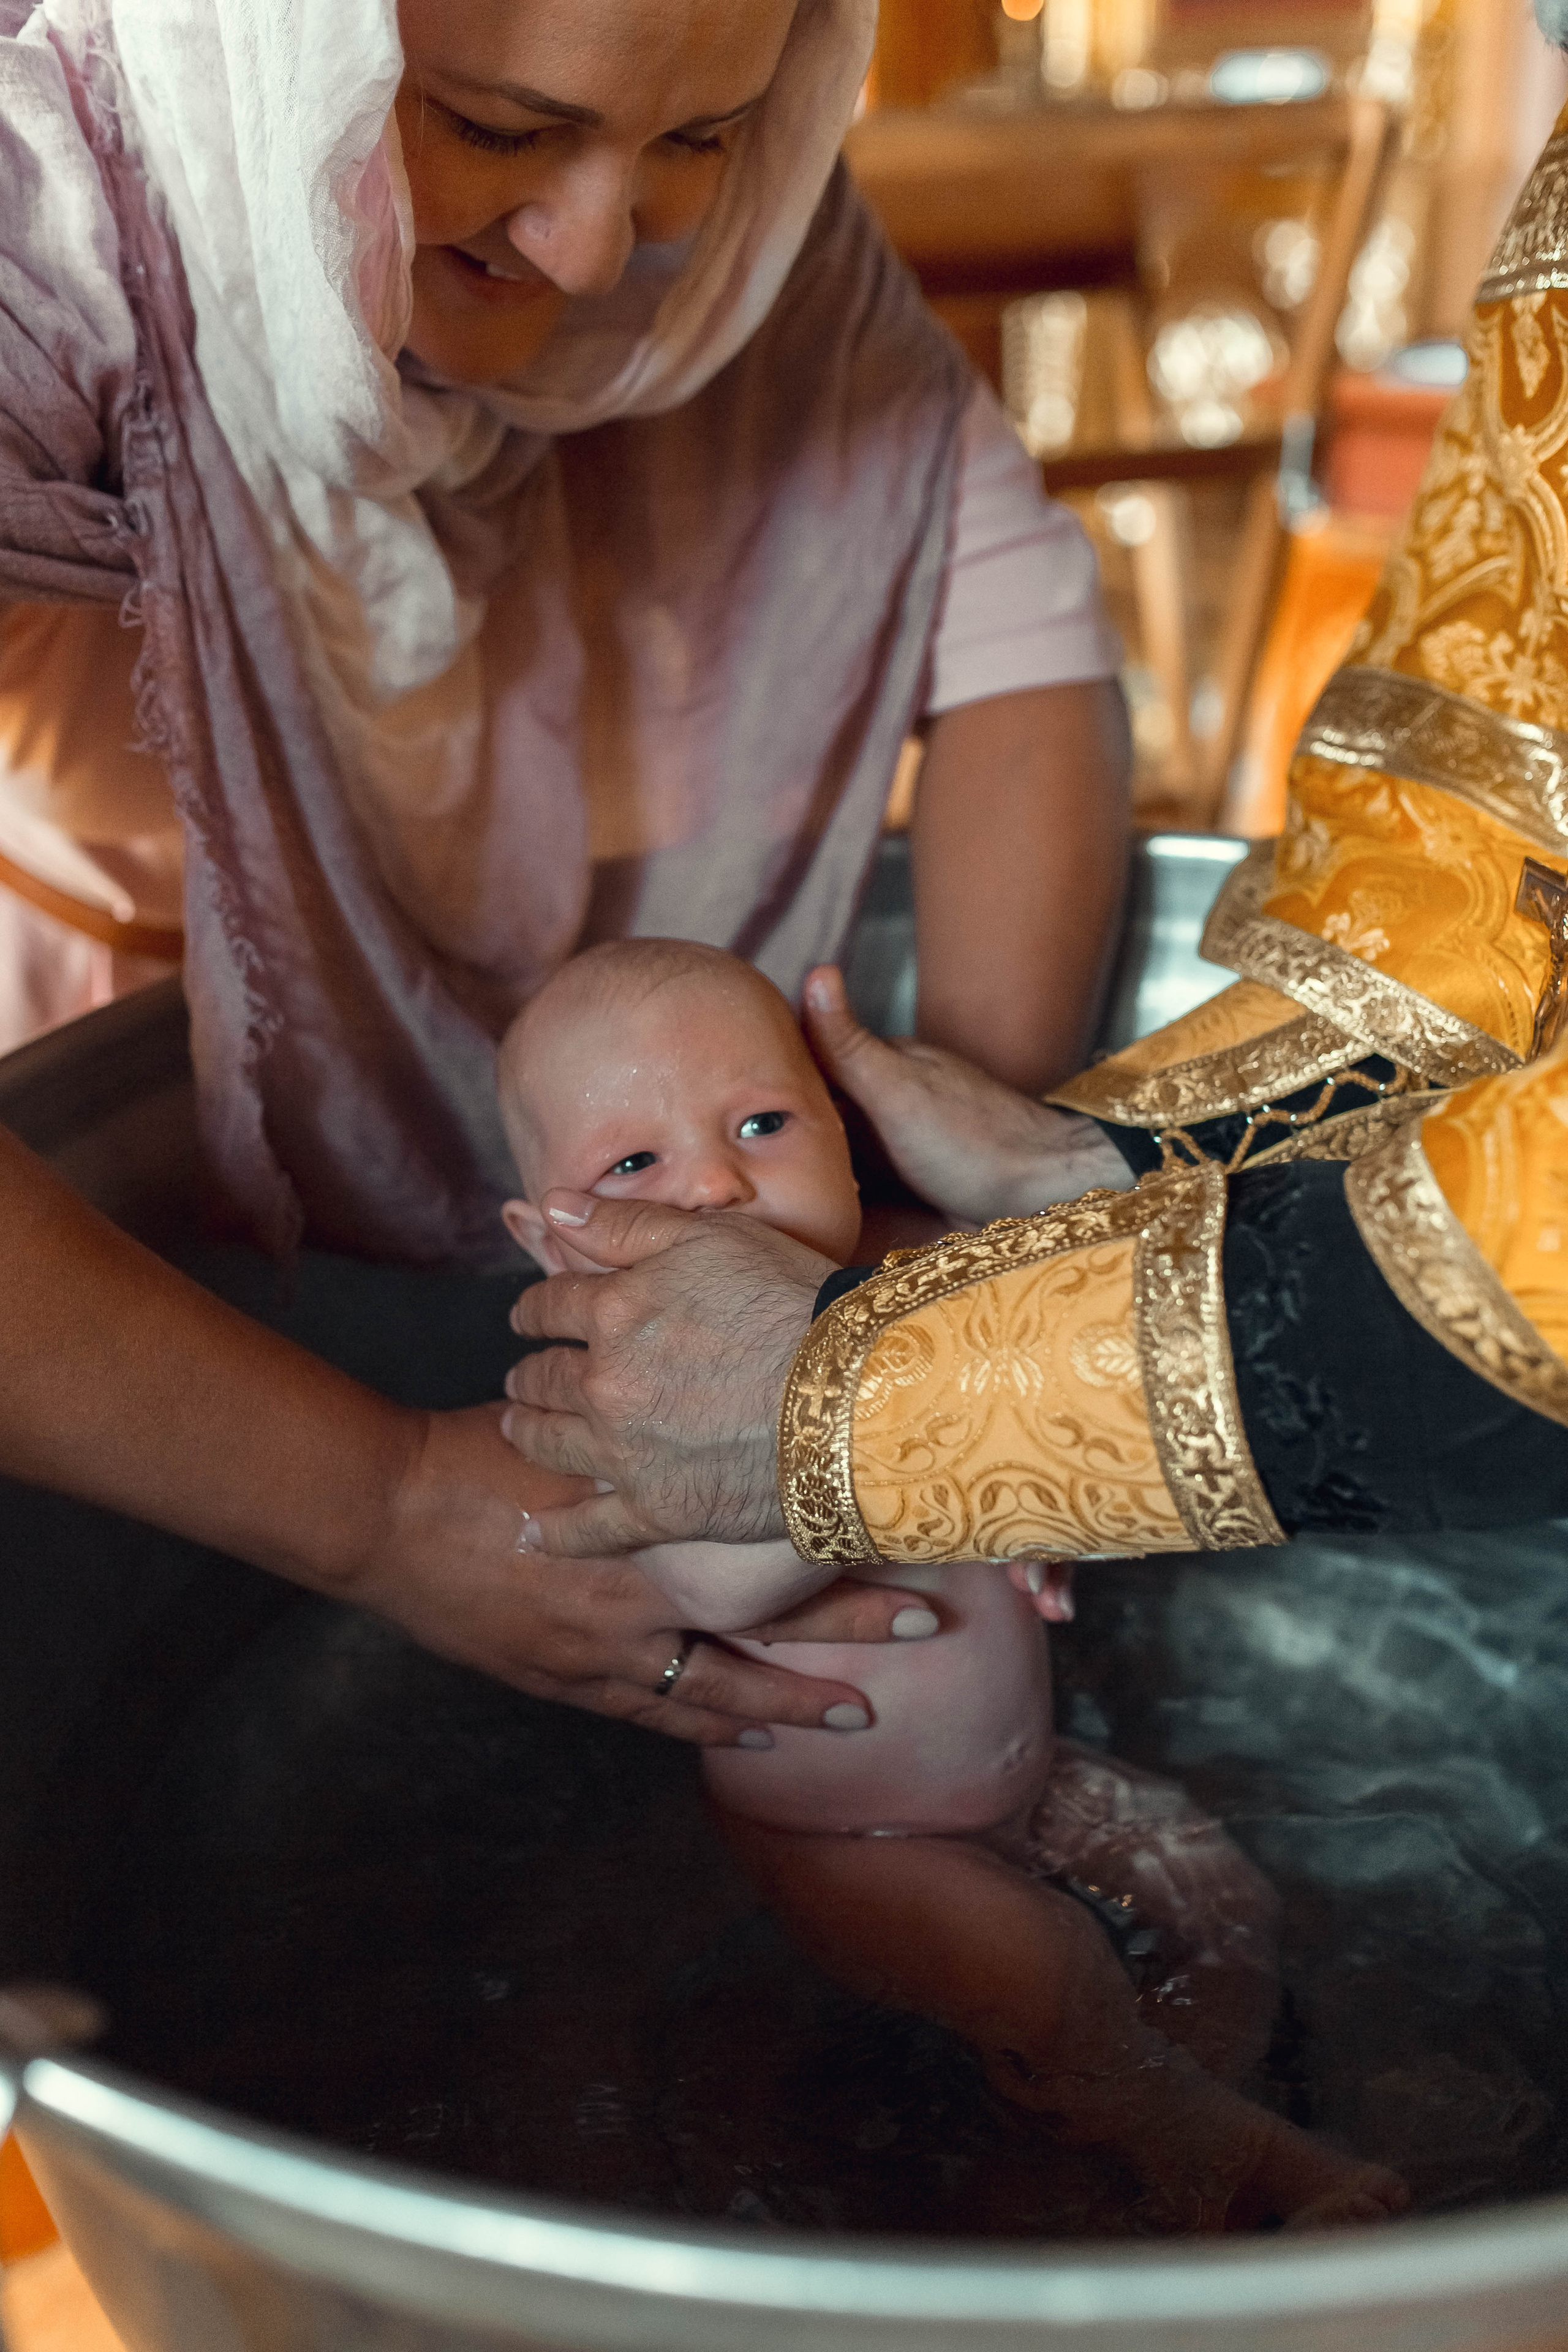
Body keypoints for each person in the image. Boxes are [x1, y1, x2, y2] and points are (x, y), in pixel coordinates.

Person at [0, 0, 1128, 1721]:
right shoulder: (44, 220)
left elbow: (1019, 647)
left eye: (695, 138)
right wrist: (381, 1507)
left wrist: (917, 1252)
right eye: (496, 125)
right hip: (126, 1114)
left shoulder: (748, 246)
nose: (603, 248)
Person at [499, 60, 1568, 1587]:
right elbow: (1485, 839)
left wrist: (905, 1412)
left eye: (757, 1123)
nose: (722, 1186)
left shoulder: (828, 1328)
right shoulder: (661, 1384)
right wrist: (1099, 1165)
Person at [495, 937, 1408, 2229]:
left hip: (1025, 1783)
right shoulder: (616, 1392)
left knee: (1216, 1894)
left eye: (762, 1122)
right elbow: (712, 1587)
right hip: (851, 1843)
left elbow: (1052, 1376)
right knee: (1042, 1973)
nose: (711, 1180)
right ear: (545, 1238)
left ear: (842, 1129)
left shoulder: (910, 1271)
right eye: (632, 1164)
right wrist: (913, 1443)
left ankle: (1141, 2112)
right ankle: (1202, 2151)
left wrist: (1020, 1469)